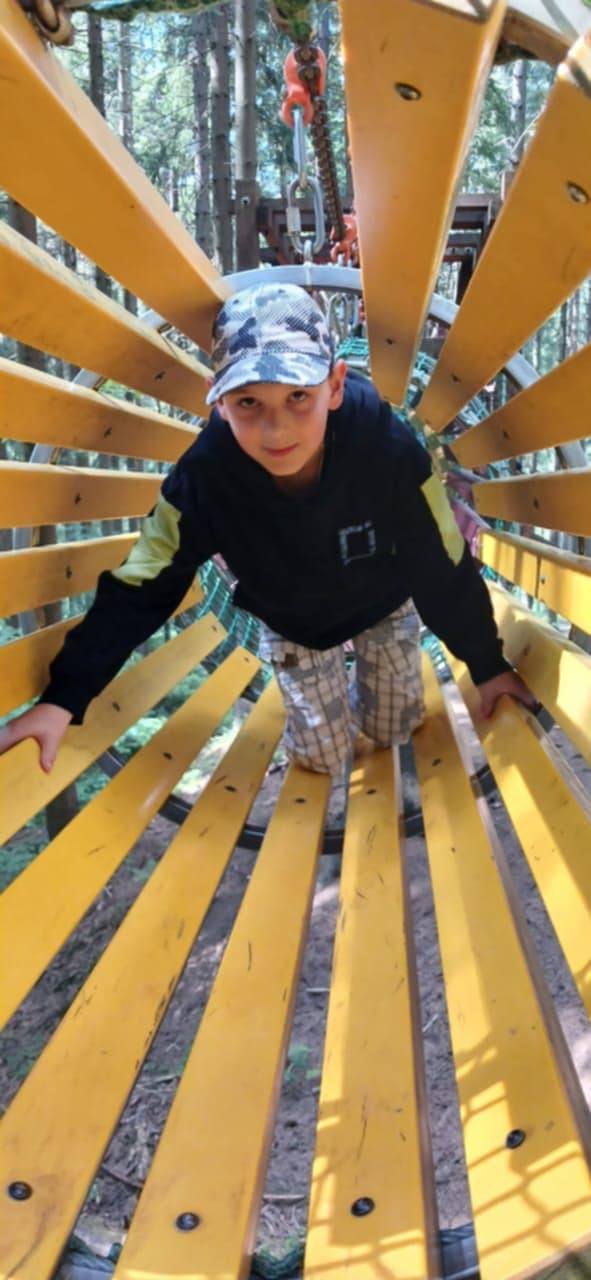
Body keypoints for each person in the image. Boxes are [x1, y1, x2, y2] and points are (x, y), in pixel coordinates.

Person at [0, 283, 534, 776]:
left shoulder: (387, 450)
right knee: (323, 759)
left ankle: (362, 699)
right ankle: (327, 715)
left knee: (393, 728)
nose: (276, 429)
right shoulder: (204, 479)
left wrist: (487, 665)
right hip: (292, 620)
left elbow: (441, 560)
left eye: (298, 396)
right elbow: (144, 583)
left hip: (381, 603)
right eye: (248, 402)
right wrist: (64, 697)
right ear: (218, 400)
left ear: (334, 386)